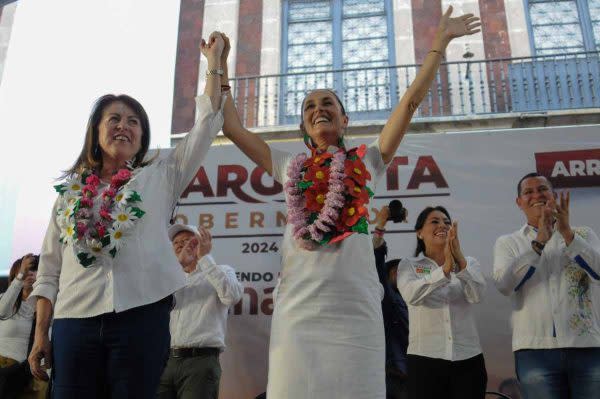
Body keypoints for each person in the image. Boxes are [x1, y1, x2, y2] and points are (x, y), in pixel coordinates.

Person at [219, 7, 481, 398]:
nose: (318, 109)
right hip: (298, 313)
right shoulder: (289, 166)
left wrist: (439, 45)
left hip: (355, 312)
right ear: (305, 130)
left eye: (327, 104)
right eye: (309, 107)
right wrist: (219, 65)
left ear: (345, 121)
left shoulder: (368, 161)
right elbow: (232, 127)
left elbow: (409, 104)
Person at [27, 32, 227, 398]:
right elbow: (50, 271)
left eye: (134, 121)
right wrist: (42, 334)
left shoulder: (160, 176)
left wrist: (214, 63)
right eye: (114, 118)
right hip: (74, 320)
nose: (124, 125)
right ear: (96, 131)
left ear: (142, 135)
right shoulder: (69, 195)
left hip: (141, 317)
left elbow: (206, 123)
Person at [493, 173, 600, 399]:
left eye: (542, 189)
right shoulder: (509, 243)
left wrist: (568, 234)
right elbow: (505, 285)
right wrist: (539, 242)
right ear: (519, 202)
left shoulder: (583, 234)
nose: (536, 195)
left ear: (552, 195)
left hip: (586, 347)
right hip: (534, 352)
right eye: (528, 192)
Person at [397, 206, 487, 399]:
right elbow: (411, 295)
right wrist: (444, 270)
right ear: (419, 233)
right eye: (434, 221)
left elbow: (477, 295)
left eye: (447, 222)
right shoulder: (409, 265)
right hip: (425, 361)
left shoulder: (469, 263)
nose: (443, 225)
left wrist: (459, 262)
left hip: (468, 359)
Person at [157, 224, 242, 399]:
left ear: (201, 244)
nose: (181, 244)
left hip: (200, 362)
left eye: (187, 240)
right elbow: (153, 307)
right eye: (177, 242)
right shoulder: (166, 279)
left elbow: (231, 296)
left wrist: (204, 258)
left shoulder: (222, 271)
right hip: (163, 360)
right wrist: (178, 265)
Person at [372, 206, 409, 399]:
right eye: (396, 271)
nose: (401, 274)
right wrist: (380, 226)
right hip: (395, 375)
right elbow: (377, 260)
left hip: (418, 373)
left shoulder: (415, 300)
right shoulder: (389, 300)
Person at [0, 254, 47, 399]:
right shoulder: (5, 300)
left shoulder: (47, 306)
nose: (29, 274)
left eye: (33, 270)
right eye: (25, 270)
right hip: (3, 368)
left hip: (32, 371)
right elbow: (2, 312)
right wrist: (21, 275)